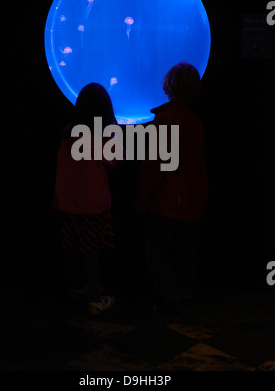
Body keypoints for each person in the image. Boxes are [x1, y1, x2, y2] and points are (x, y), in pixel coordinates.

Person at [135, 62, 208, 312]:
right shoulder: (195, 121)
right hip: (192, 199)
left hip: (167, 199)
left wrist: (142, 200)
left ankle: (173, 295)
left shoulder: (164, 122)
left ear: (168, 85)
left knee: (156, 249)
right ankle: (186, 292)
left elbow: (152, 167)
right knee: (187, 249)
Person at [53, 83, 119, 315]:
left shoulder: (68, 132)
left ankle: (78, 286)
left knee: (71, 246)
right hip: (92, 204)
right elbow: (113, 162)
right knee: (91, 250)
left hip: (66, 202)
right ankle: (94, 299)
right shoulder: (106, 136)